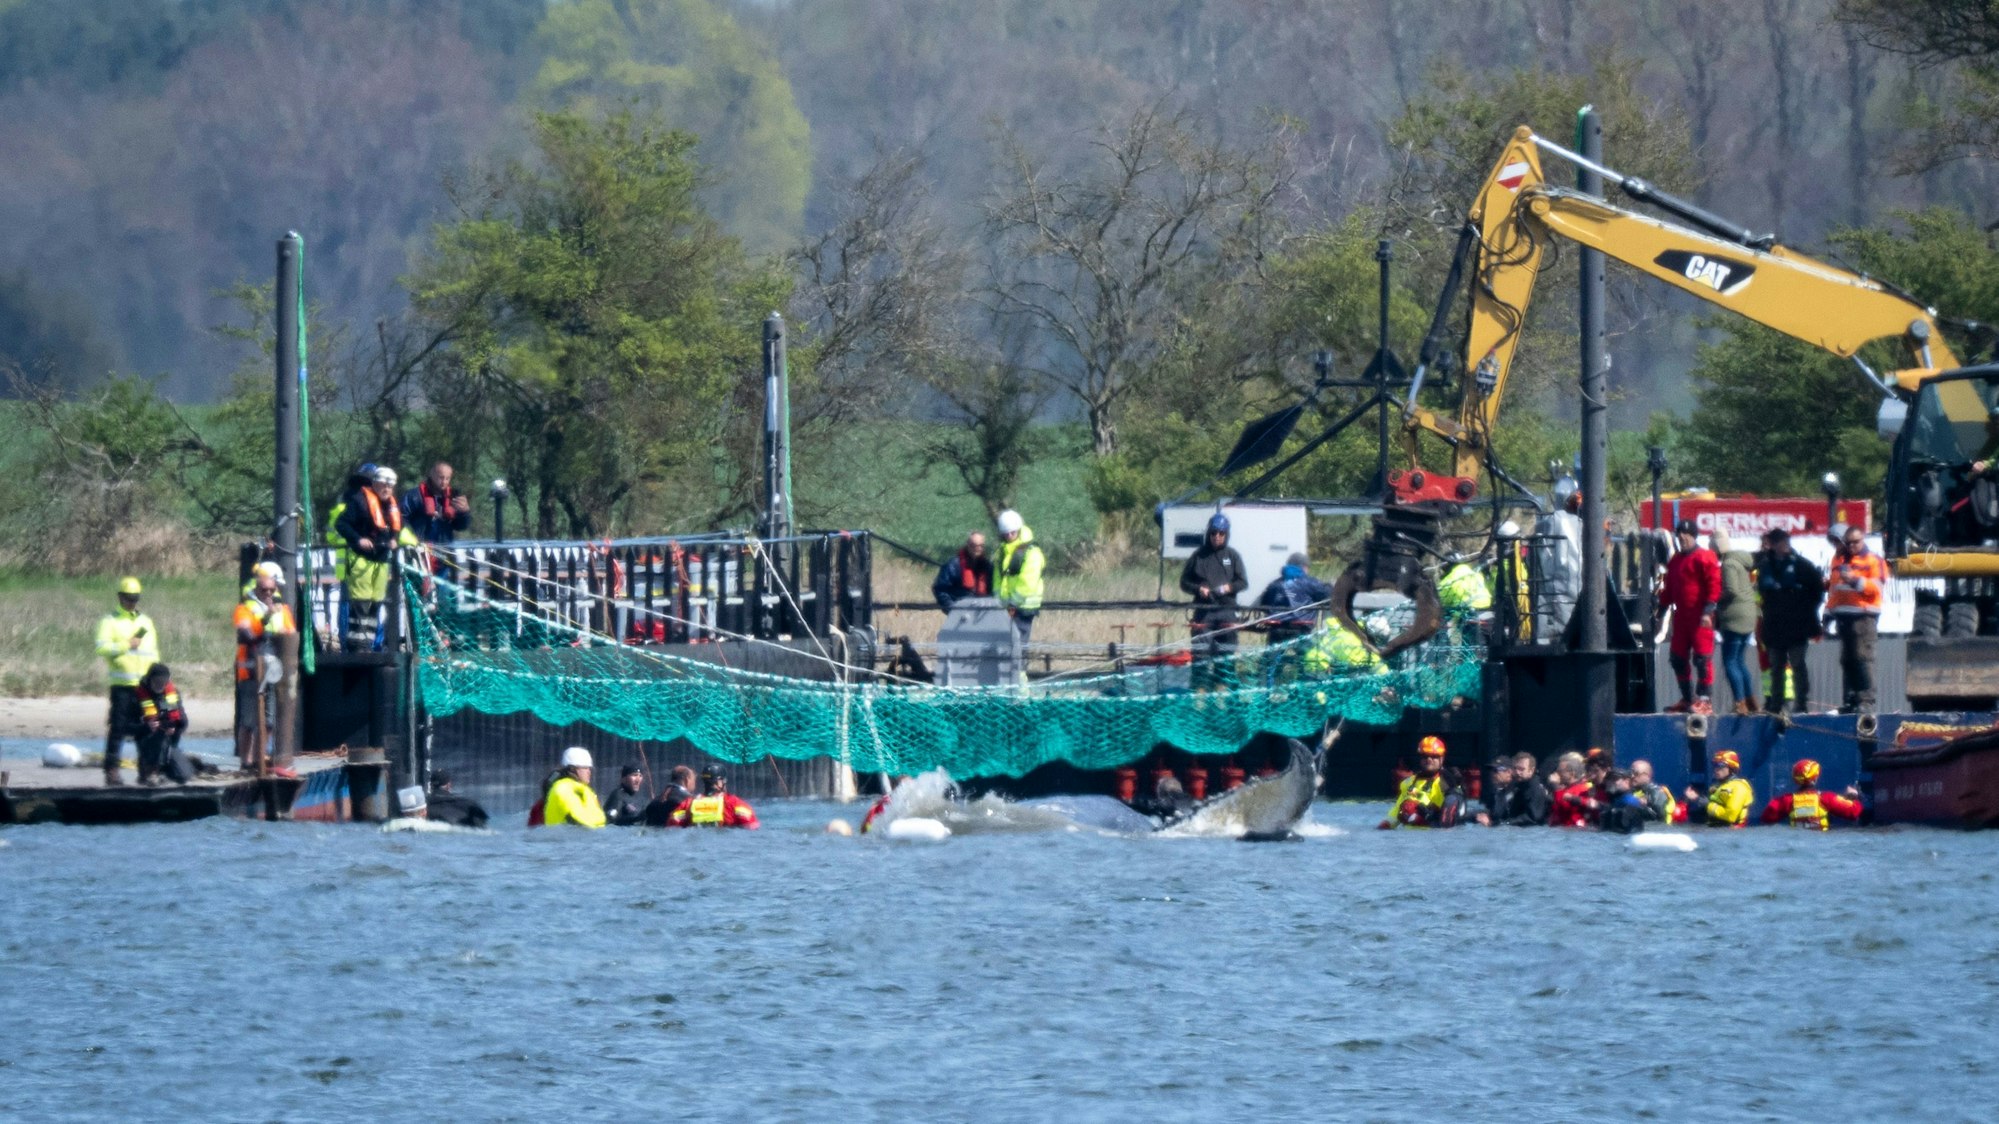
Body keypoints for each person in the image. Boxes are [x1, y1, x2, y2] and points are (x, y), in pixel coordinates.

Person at [335, 465, 418, 651]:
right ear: (374, 484)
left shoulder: (391, 506)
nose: (386, 489)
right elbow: (342, 524)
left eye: (390, 486)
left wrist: (395, 540)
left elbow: (399, 528)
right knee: (361, 603)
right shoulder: (359, 502)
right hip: (361, 560)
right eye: (383, 485)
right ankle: (357, 645)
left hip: (381, 561)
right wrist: (358, 539)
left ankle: (370, 642)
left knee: (376, 602)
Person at [94, 576, 159, 787]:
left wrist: (157, 681)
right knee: (118, 729)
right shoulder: (109, 621)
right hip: (122, 687)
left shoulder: (146, 622)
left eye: (135, 599)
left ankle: (146, 772)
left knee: (147, 729)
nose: (132, 603)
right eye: (128, 598)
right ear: (120, 597)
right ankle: (111, 771)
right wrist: (125, 645)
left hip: (144, 688)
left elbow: (153, 653)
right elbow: (101, 648)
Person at [233, 561, 297, 771]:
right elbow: (246, 635)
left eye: (272, 589)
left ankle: (262, 757)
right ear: (256, 588)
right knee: (249, 721)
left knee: (269, 721)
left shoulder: (283, 610)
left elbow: (290, 635)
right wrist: (265, 619)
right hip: (251, 671)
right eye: (264, 589)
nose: (269, 593)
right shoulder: (245, 609)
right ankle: (246, 761)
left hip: (274, 673)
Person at [1755, 528, 1824, 715]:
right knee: (1776, 666)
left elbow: (1817, 590)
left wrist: (1805, 610)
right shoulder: (1764, 566)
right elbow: (1762, 591)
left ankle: (1801, 703)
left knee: (1797, 664)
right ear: (1773, 544)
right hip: (1774, 625)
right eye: (1779, 542)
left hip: (1796, 626)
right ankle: (1776, 704)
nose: (1784, 545)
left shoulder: (1802, 566)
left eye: (1786, 541)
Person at [1659, 519, 1722, 715]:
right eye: (1679, 535)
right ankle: (1687, 698)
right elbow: (1669, 589)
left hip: (1700, 616)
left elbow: (1714, 585)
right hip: (1682, 617)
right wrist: (1661, 610)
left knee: (1702, 659)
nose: (1682, 538)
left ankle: (1705, 700)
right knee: (1677, 657)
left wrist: (1708, 610)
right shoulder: (1676, 561)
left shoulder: (1705, 557)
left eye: (1686, 535)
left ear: (1694, 536)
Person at [1180, 513, 1248, 689]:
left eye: (1221, 533)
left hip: (1226, 612)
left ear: (1226, 534)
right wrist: (1198, 589)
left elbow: (1243, 582)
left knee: (1226, 657)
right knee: (1201, 657)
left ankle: (1225, 697)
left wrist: (1229, 588)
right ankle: (1199, 696)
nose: (1217, 537)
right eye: (1213, 533)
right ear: (1208, 533)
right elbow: (1184, 582)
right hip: (1204, 613)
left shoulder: (1233, 556)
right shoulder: (1198, 556)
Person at [1825, 525, 1887, 714]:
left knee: (1863, 658)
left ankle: (1866, 701)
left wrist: (1855, 580)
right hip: (1844, 617)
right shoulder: (1839, 560)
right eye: (1848, 543)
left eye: (1856, 542)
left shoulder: (1874, 560)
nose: (1852, 546)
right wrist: (1828, 613)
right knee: (1847, 660)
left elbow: (1876, 589)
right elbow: (1835, 590)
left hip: (1864, 616)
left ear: (1863, 540)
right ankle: (1850, 700)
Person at [1711, 526, 1760, 714]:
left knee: (1730, 661)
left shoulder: (1729, 564)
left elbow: (1731, 590)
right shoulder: (1740, 561)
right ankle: (1751, 701)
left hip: (1734, 617)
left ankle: (1740, 703)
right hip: (1748, 614)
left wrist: (1715, 599)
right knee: (1740, 661)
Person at [1377, 736, 1464, 829]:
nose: (1429, 759)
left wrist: (1421, 816)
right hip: (1409, 839)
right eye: (1425, 756)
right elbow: (1397, 811)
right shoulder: (1408, 783)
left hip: (1434, 837)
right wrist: (1386, 824)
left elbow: (1450, 819)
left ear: (1441, 758)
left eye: (1434, 756)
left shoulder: (1448, 784)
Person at [134, 662, 194, 786]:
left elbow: (182, 720)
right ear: (149, 679)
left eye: (163, 682)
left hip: (169, 743)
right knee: (158, 737)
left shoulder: (172, 694)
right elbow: (127, 726)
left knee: (184, 775)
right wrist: (146, 726)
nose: (159, 685)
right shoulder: (137, 694)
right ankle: (151, 772)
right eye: (156, 681)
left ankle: (167, 768)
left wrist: (173, 726)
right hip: (147, 742)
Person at [1760, 759, 1864, 829]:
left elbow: (1767, 817)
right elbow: (1854, 811)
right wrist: (1854, 796)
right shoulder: (1826, 798)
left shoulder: (1787, 801)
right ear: (1815, 778)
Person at [994, 509, 1045, 647]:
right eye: (1006, 533)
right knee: (1006, 646)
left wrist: (1013, 604)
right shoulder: (1002, 551)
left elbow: (1027, 582)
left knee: (1018, 646)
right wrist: (999, 602)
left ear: (1019, 529)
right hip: (1007, 608)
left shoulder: (1031, 552)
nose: (1009, 536)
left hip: (1023, 606)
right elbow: (998, 578)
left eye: (1013, 532)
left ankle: (1019, 669)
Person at [1257, 552, 1333, 642]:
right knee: (1305, 655)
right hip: (1301, 627)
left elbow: (1264, 602)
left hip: (1277, 627)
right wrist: (1329, 585)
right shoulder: (1309, 582)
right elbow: (1327, 594)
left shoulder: (1275, 584)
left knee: (1272, 655)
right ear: (1304, 567)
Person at [400, 461, 472, 545]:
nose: (444, 482)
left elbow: (461, 527)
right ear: (432, 475)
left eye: (447, 478)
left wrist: (465, 513)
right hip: (420, 549)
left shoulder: (453, 498)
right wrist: (411, 537)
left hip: (444, 550)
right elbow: (401, 518)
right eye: (441, 477)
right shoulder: (414, 496)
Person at [1683, 749, 1755, 828]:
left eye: (1720, 765)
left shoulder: (1739, 788)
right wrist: (1696, 800)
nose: (1716, 769)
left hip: (1732, 833)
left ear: (1731, 768)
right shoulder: (1717, 787)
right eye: (1715, 765)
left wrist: (1705, 804)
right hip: (1715, 829)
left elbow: (1731, 816)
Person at [669, 768, 760, 828]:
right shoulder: (733, 802)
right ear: (719, 782)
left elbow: (673, 823)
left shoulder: (688, 803)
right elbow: (752, 825)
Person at [541, 747, 606, 828]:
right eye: (585, 768)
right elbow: (578, 821)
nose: (589, 772)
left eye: (590, 768)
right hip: (566, 838)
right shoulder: (562, 788)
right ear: (572, 769)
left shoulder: (582, 790)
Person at [931, 532, 994, 612]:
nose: (977, 548)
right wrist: (952, 609)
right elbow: (939, 589)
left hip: (982, 614)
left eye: (980, 545)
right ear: (967, 545)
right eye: (973, 545)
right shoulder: (953, 565)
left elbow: (993, 591)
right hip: (960, 614)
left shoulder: (988, 566)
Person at [1498, 752, 1551, 826]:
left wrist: (1506, 823)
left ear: (1531, 771)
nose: (1517, 772)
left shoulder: (1535, 789)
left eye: (1521, 769)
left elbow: (1534, 818)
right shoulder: (1516, 785)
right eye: (1515, 768)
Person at [1548, 751, 1598, 827]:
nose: (1557, 774)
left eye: (1560, 771)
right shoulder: (1566, 788)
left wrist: (1555, 786)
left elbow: (1563, 804)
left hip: (1576, 831)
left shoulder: (1583, 787)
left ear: (1572, 773)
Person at [1628, 758, 1680, 824]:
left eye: (1636, 773)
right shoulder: (1632, 792)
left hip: (1658, 832)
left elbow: (1660, 817)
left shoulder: (1658, 793)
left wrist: (1641, 806)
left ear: (1647, 775)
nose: (1632, 776)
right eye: (1630, 772)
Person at [1474, 757, 1513, 826]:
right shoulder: (1496, 793)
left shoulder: (1516, 793)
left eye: (1496, 770)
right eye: (1491, 771)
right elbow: (1491, 813)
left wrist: (1490, 823)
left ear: (1508, 772)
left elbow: (1515, 819)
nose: (1492, 774)